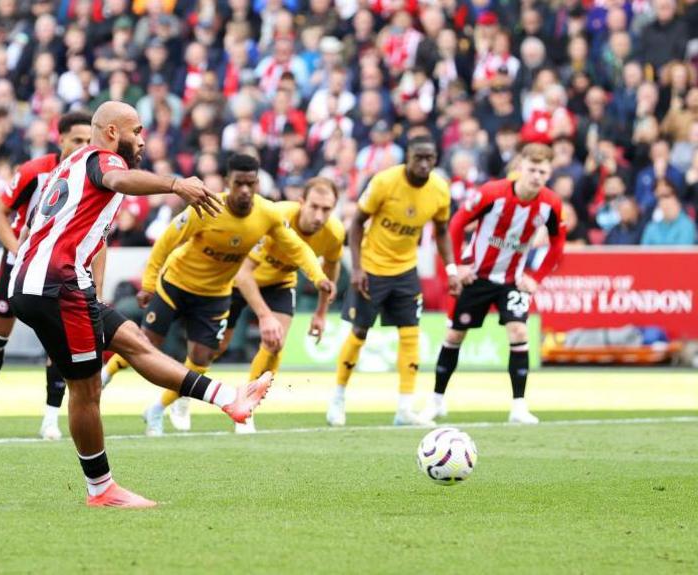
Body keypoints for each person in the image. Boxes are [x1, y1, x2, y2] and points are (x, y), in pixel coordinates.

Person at [8, 101, 271, 508]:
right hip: (57, 283)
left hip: (44, 279)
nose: (143, 140)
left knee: (132, 339)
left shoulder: (71, 164)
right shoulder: (103, 158)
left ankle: (227, 398)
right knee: (86, 389)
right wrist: (175, 184)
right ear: (113, 131)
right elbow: (116, 177)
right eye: (138, 131)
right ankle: (101, 489)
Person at [102, 152, 334, 437]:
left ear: (258, 183)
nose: (246, 190)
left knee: (202, 358)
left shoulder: (267, 214)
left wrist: (319, 277)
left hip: (215, 293)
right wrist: (149, 284)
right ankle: (106, 374)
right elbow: (166, 242)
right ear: (228, 182)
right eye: (239, 183)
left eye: (251, 184)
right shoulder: (206, 207)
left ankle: (170, 405)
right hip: (178, 281)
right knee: (148, 343)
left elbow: (297, 248)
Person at [0, 111, 92, 441]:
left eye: (89, 141)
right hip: (20, 261)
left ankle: (50, 418)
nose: (84, 147)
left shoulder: (92, 175)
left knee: (57, 342)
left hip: (59, 266)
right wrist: (18, 251)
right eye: (77, 140)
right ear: (60, 139)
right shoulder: (34, 171)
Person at [425, 143, 566, 425]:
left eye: (543, 171)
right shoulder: (491, 193)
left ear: (549, 173)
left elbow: (558, 243)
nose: (536, 176)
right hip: (476, 276)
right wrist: (457, 268)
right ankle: (437, 401)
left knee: (518, 332)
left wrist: (535, 277)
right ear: (519, 167)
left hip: (512, 280)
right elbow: (456, 225)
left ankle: (518, 406)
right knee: (454, 336)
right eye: (532, 169)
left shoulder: (551, 204)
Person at [331, 135, 461, 427]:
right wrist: (358, 268)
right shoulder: (384, 182)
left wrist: (451, 269)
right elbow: (356, 224)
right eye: (419, 158)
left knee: (411, 334)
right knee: (359, 332)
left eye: (430, 158)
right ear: (408, 158)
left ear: (436, 159)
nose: (425, 164)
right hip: (373, 268)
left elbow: (442, 231)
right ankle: (338, 398)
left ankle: (404, 407)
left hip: (405, 271)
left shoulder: (440, 190)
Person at [216, 176, 344, 433]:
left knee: (275, 344)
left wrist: (321, 313)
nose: (319, 216)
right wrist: (264, 315)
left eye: (327, 209)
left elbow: (329, 272)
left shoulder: (334, 233)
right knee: (214, 349)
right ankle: (179, 398)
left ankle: (245, 408)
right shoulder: (277, 216)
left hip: (280, 282)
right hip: (241, 279)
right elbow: (245, 271)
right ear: (301, 202)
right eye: (314, 207)